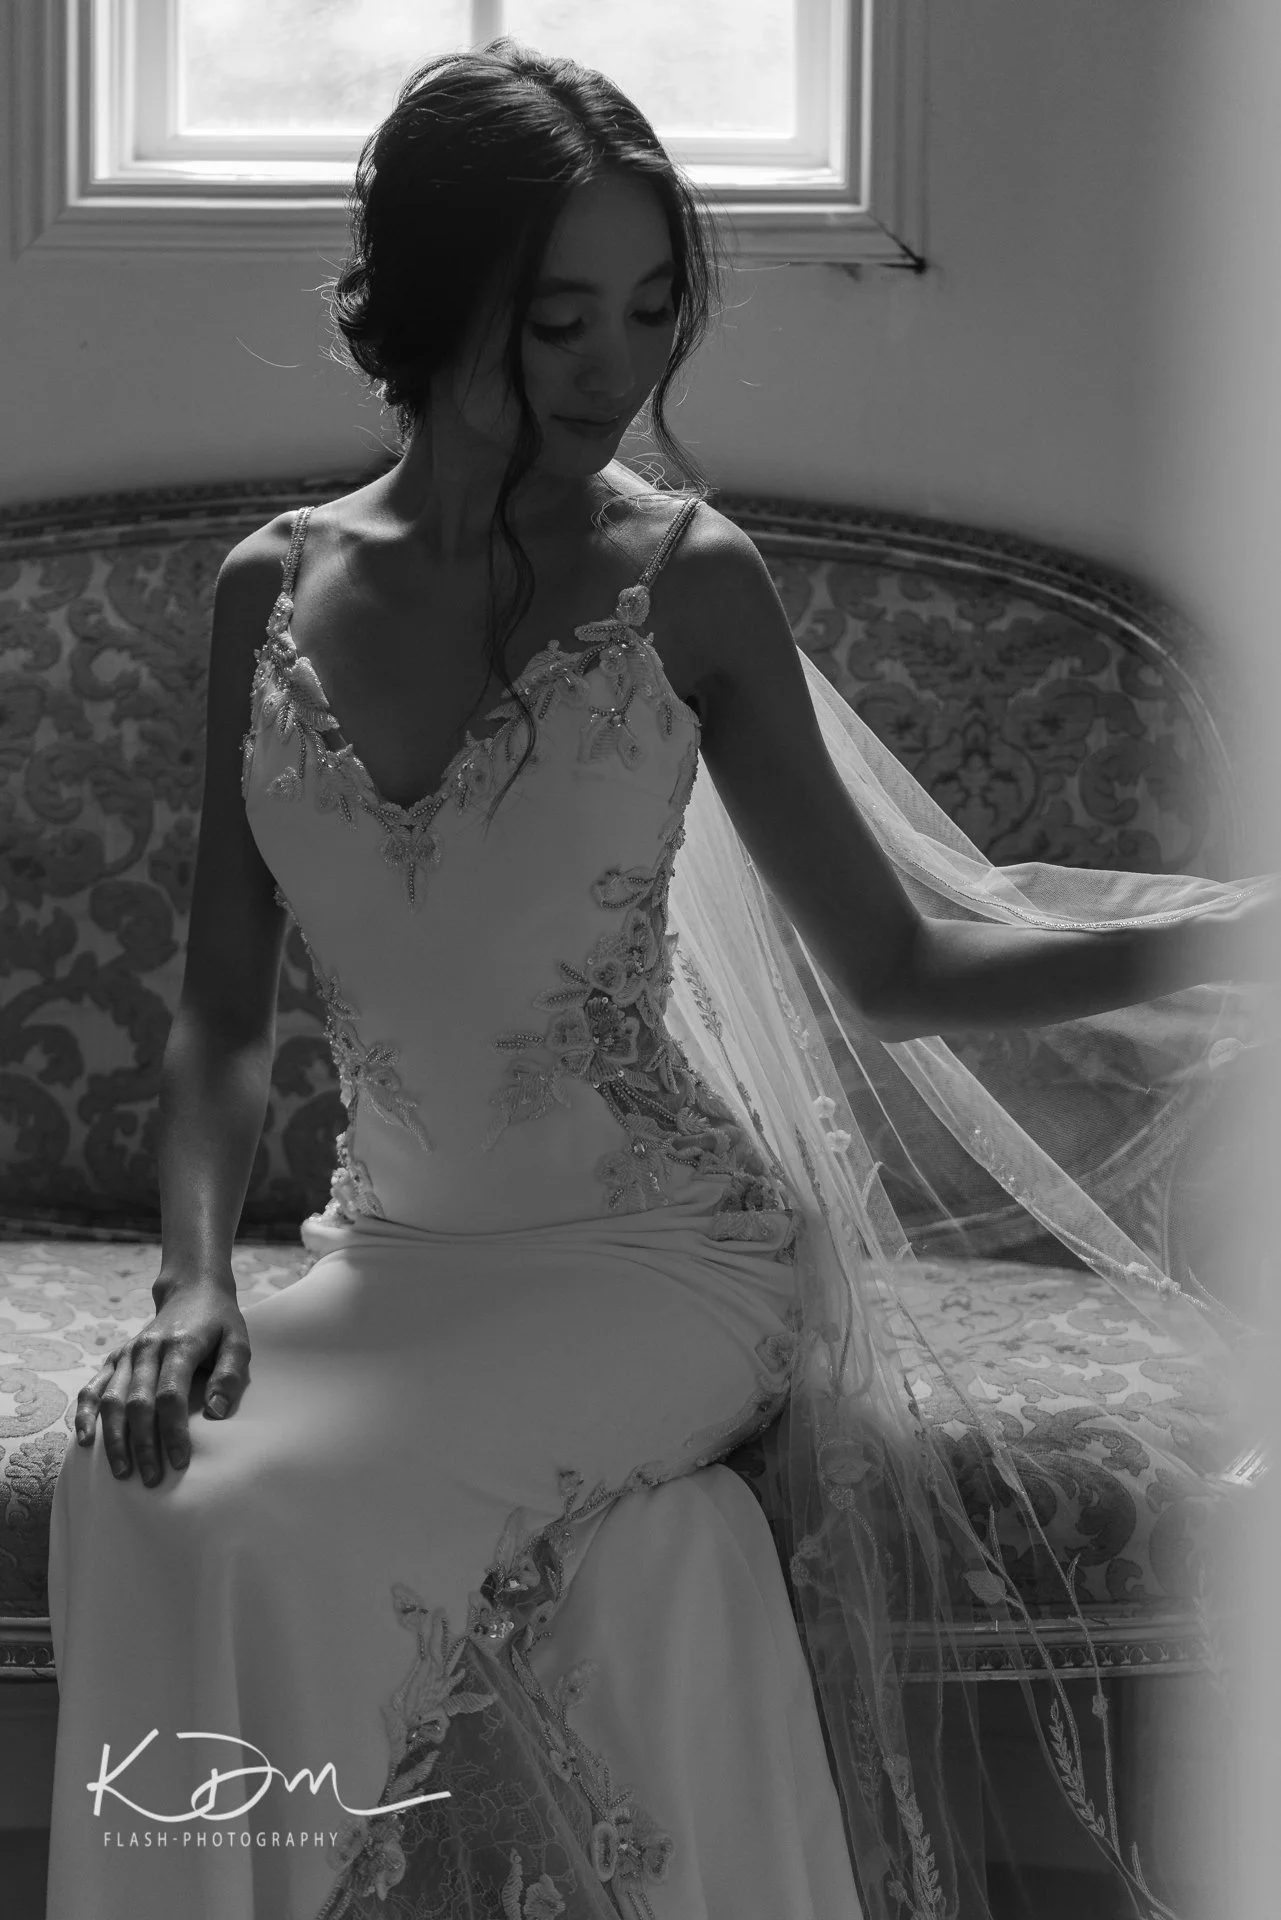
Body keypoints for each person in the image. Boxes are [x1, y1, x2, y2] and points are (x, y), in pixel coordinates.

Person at [45, 36, 1277, 1920]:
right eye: (560, 320)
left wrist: (1229, 934)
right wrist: (195, 1286)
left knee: (283, 1511)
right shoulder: (265, 592)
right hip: (398, 1259)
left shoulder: (687, 579)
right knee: (136, 1486)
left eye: (648, 311)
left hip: (663, 1256)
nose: (613, 368)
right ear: (434, 307)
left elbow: (900, 963)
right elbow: (222, 1010)